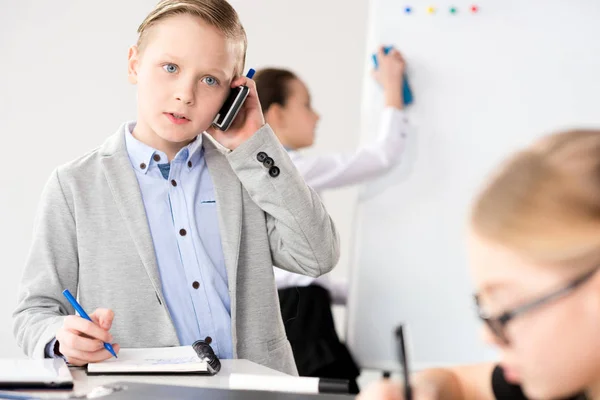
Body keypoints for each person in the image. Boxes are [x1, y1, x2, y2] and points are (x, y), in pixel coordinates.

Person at [13, 0, 339, 376]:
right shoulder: (74, 186)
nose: (186, 94)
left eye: (210, 80)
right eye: (171, 67)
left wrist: (257, 145)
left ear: (233, 94)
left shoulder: (248, 172)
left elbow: (317, 255)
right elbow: (34, 311)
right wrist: (61, 337)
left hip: (257, 388)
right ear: (134, 63)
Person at [358, 129, 600, 400]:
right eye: (485, 310)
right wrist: (425, 390)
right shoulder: (568, 379)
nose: (486, 337)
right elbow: (460, 384)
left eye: (507, 311)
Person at [253, 46, 409, 391]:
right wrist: (394, 90)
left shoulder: (255, 173)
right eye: (306, 104)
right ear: (276, 115)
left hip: (284, 318)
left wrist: (357, 292)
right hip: (305, 321)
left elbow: (290, 276)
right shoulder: (293, 169)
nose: (316, 116)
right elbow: (382, 157)